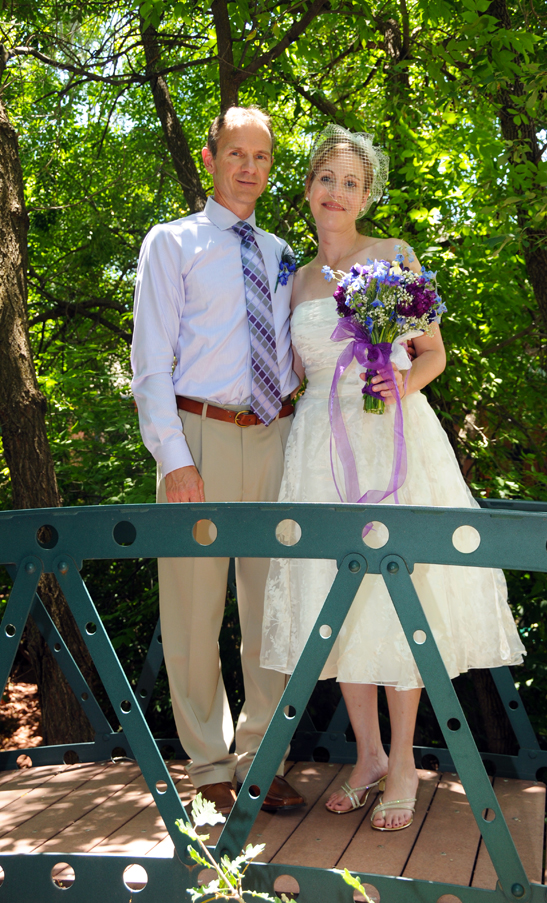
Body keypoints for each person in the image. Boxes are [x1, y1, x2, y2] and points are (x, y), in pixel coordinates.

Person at [260, 124, 525, 832]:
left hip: (390, 437)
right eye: (326, 179)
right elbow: (292, 374)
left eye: (352, 183)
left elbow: (433, 353)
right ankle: (368, 753)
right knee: (336, 593)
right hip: (318, 444)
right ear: (309, 187)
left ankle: (405, 761)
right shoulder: (298, 280)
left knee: (396, 588)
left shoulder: (394, 257)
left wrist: (393, 385)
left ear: (366, 194)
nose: (337, 193)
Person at [131, 105, 304, 815]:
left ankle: (264, 760)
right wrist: (174, 458)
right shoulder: (172, 243)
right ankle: (207, 767)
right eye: (236, 153)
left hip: (278, 438)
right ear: (210, 158)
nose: (248, 168)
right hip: (199, 434)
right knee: (195, 609)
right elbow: (148, 363)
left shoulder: (284, 253)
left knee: (272, 609)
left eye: (261, 157)